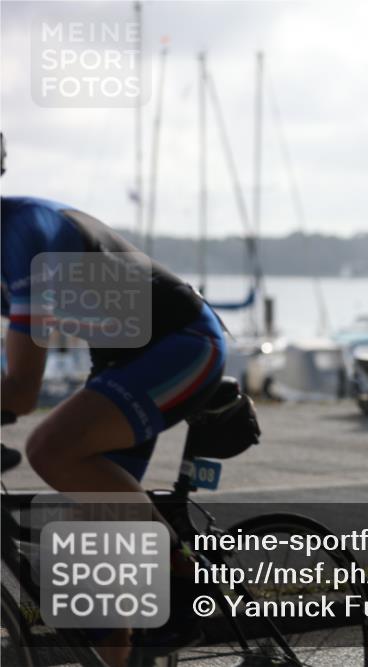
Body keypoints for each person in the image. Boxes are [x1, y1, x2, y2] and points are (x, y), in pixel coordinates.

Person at [0, 133, 227, 666]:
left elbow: (23, 389)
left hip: (183, 343)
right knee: (93, 589)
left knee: (50, 448)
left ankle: (182, 576)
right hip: (123, 362)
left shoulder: (24, 233)